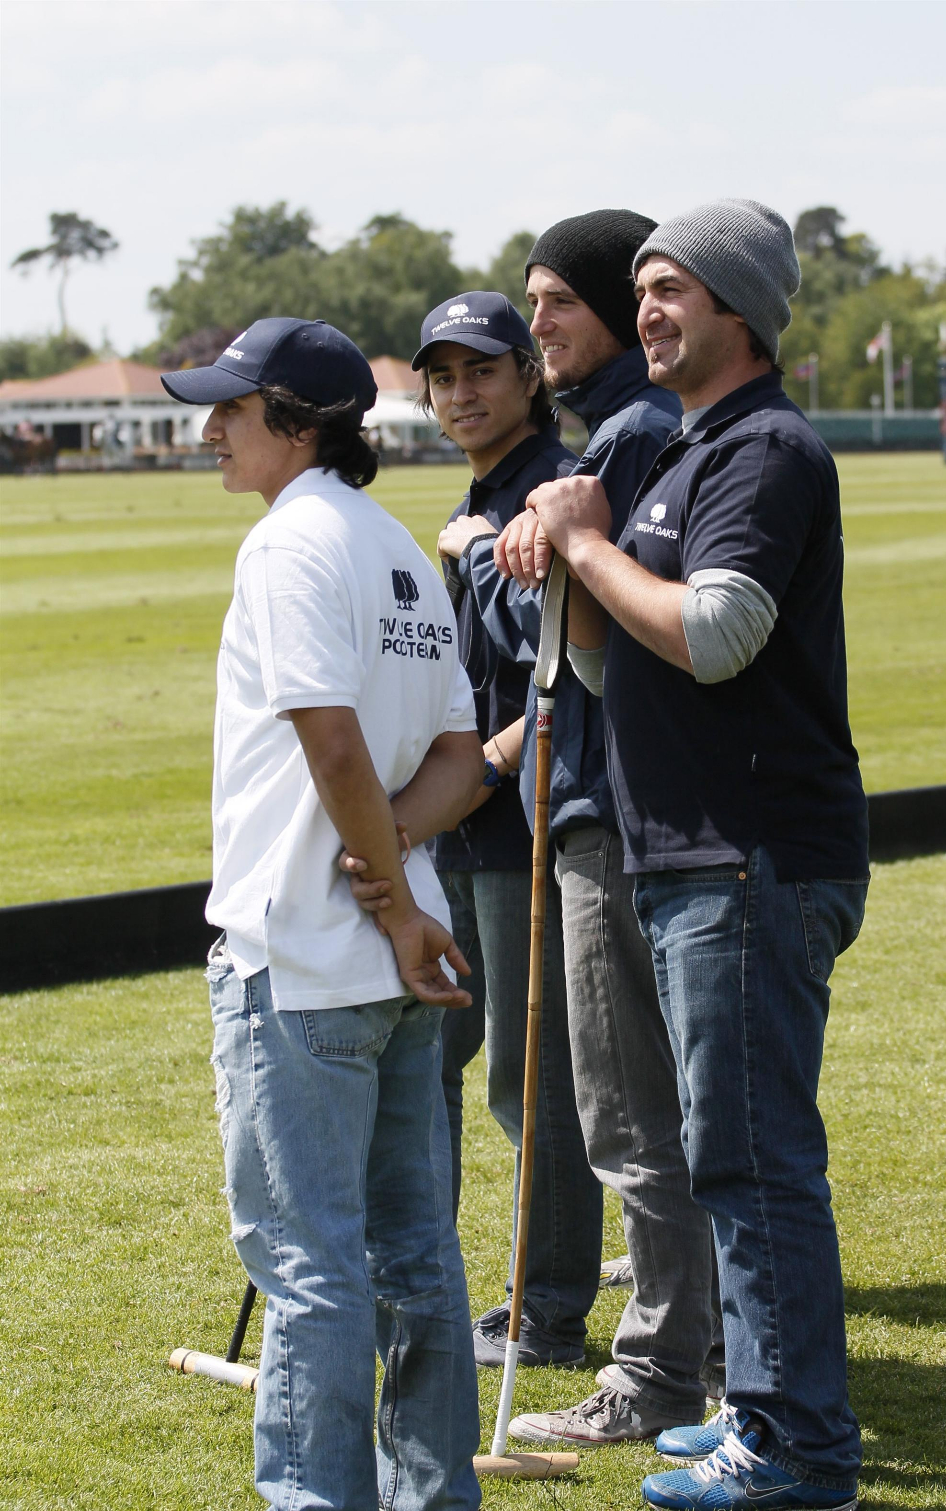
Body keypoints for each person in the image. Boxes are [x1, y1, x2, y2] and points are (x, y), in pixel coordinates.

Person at [516, 199, 869, 1509]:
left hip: (745, 855)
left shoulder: (763, 448)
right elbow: (616, 661)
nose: (648, 310)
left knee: (753, 1154)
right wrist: (573, 555)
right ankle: (762, 1413)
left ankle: (794, 1447)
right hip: (686, 858)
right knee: (728, 1150)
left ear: (738, 310)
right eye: (644, 289)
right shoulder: (681, 450)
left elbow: (716, 630)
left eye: (673, 290)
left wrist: (591, 541)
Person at [161, 318, 484, 1511]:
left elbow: (330, 736)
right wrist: (398, 869)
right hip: (400, 966)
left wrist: (387, 899)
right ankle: (436, 1495)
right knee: (416, 1258)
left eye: (231, 410)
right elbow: (460, 757)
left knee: (310, 1268)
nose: (209, 430)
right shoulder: (396, 543)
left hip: (303, 961)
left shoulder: (287, 546)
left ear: (298, 423)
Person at [445, 212, 721, 1446]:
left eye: (555, 300)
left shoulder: (627, 431)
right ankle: (698, 1354)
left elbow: (553, 639)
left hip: (604, 806)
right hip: (609, 802)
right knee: (645, 1107)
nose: (538, 321)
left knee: (622, 1111)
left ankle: (660, 1369)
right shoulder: (625, 427)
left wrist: (500, 560)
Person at [418, 291, 604, 1367]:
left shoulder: (549, 489)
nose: (460, 393)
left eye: (481, 369)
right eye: (442, 377)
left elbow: (561, 667)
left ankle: (548, 1308)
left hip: (521, 814)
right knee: (437, 1048)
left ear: (528, 373)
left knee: (530, 1083)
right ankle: (424, 1263)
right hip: (464, 820)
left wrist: (491, 756)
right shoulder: (486, 492)